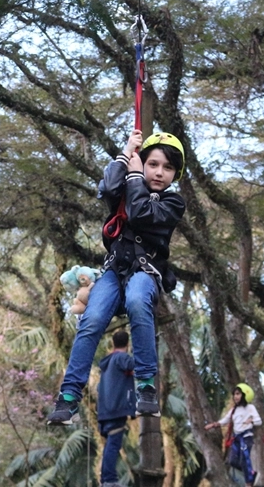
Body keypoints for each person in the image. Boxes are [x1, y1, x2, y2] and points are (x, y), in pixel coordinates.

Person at [47, 130, 186, 424]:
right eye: (153, 164)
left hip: (145, 271)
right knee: (93, 319)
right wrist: (126, 153)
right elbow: (108, 188)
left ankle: (147, 386)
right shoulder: (125, 187)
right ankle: (69, 397)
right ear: (142, 163)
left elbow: (141, 214)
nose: (159, 172)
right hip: (113, 271)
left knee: (137, 300)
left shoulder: (173, 203)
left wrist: (136, 177)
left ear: (175, 174)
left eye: (168, 168)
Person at [96, 330, 137, 487]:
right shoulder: (122, 358)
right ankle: (110, 480)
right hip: (116, 408)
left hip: (105, 410)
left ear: (113, 343)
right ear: (127, 344)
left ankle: (106, 479)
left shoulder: (107, 364)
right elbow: (136, 365)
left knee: (110, 445)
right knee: (113, 445)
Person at [205, 383, 262, 487]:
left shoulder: (250, 407)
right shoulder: (234, 410)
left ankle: (248, 483)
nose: (235, 396)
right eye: (234, 394)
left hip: (246, 437)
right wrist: (213, 425)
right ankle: (251, 473)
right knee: (232, 461)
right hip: (236, 438)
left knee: (245, 459)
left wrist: (251, 421)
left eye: (238, 394)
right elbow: (225, 420)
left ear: (244, 395)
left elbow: (259, 421)